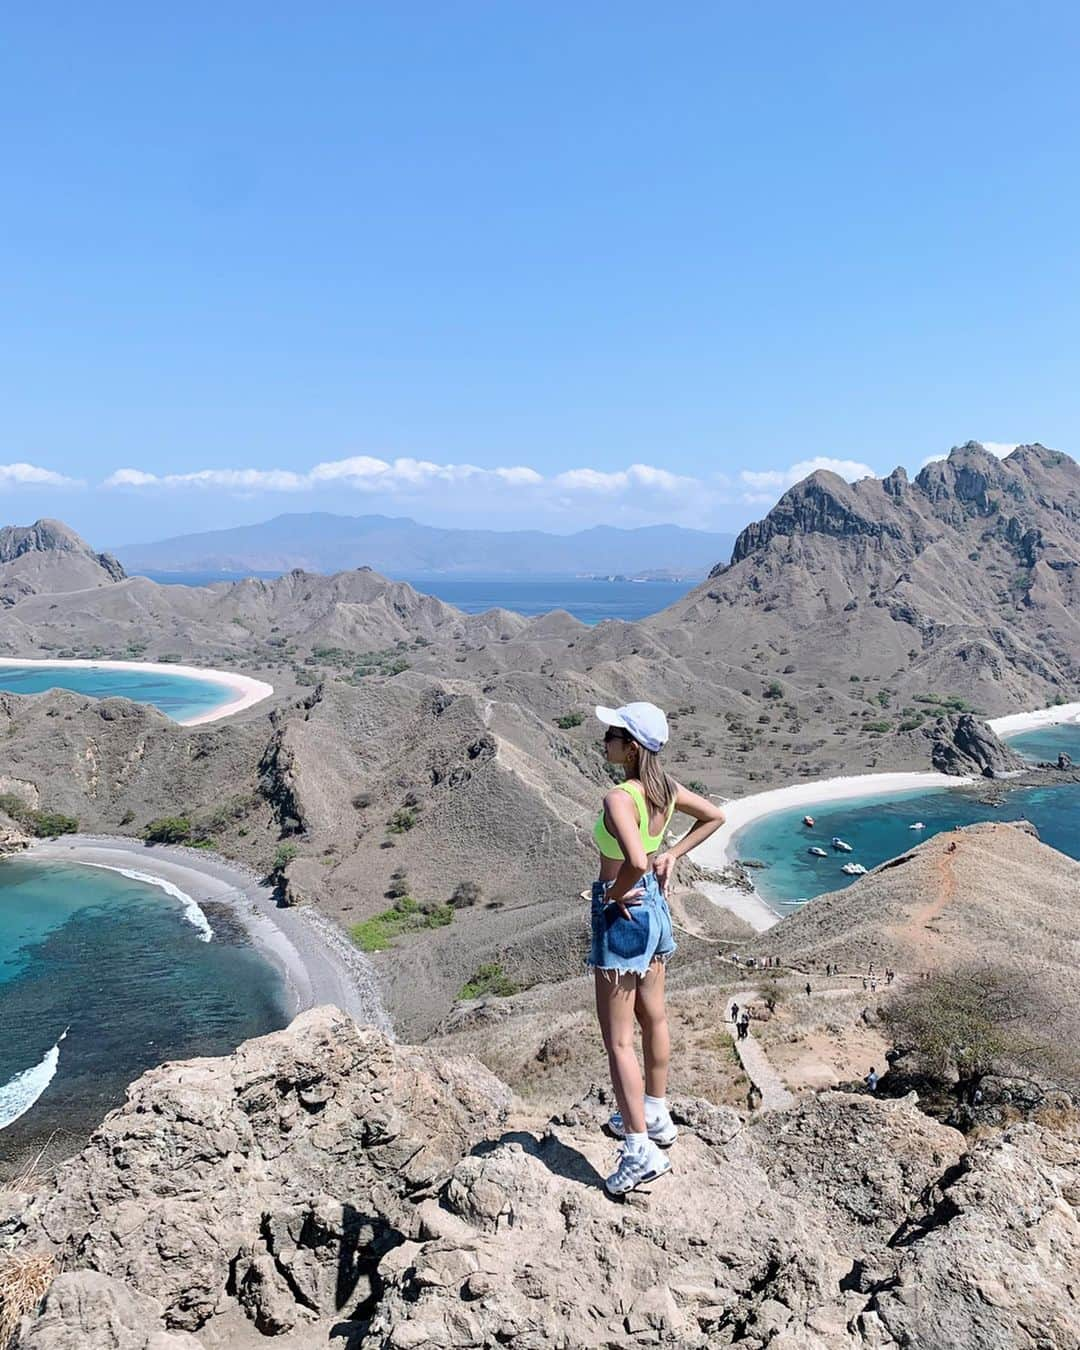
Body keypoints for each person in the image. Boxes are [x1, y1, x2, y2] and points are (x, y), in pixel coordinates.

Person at [589, 701, 725, 1196]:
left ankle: (639, 1150)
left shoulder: (619, 797)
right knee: (656, 1018)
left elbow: (634, 862)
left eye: (612, 733)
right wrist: (672, 853)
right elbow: (714, 816)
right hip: (657, 914)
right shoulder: (664, 790)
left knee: (619, 1040)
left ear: (631, 747)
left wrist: (615, 891)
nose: (604, 740)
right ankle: (656, 1112)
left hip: (624, 914)